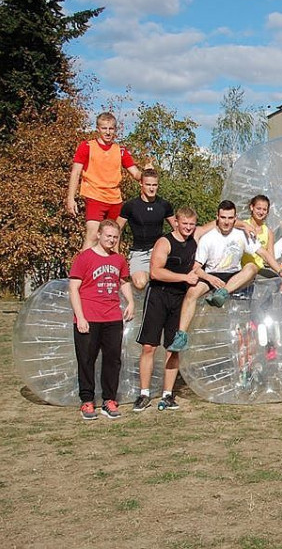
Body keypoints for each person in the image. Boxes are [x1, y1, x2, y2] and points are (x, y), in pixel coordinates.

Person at [169, 200, 280, 351]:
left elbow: (263, 253)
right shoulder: (208, 238)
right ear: (217, 217)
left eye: (230, 218)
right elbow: (197, 268)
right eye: (223, 217)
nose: (226, 222)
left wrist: (280, 270)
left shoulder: (242, 235)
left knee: (252, 267)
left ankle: (223, 293)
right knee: (192, 292)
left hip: (233, 275)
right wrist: (210, 278)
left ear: (235, 219)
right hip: (212, 274)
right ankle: (181, 336)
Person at [132, 207, 199, 412]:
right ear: (176, 222)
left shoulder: (194, 239)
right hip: (159, 295)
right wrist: (185, 277)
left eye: (191, 224)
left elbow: (219, 222)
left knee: (173, 347)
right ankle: (143, 394)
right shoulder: (165, 242)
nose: (188, 227)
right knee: (149, 347)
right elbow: (155, 272)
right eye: (184, 223)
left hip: (180, 298)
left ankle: (168, 395)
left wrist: (242, 224)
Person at [68, 219, 134, 420]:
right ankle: (87, 401)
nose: (112, 240)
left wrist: (130, 302)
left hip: (112, 317)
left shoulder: (119, 260)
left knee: (113, 360)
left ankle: (109, 400)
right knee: (86, 360)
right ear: (98, 235)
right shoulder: (84, 258)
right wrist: (80, 316)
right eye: (108, 236)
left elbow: (123, 281)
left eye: (115, 237)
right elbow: (73, 288)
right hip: (89, 317)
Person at [66, 112, 144, 250]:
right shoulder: (87, 146)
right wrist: (70, 198)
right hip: (94, 196)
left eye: (111, 129)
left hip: (115, 199)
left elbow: (136, 173)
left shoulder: (120, 151)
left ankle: (114, 270)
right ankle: (82, 270)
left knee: (114, 238)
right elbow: (76, 172)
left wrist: (146, 173)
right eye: (104, 128)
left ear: (115, 130)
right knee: (93, 234)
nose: (108, 132)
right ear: (98, 129)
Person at [116, 168, 176, 291]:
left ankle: (156, 275)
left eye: (154, 185)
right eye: (148, 185)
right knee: (140, 283)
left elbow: (177, 229)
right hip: (139, 252)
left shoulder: (164, 205)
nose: (152, 188)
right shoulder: (130, 206)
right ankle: (153, 275)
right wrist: (117, 255)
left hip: (159, 251)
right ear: (141, 184)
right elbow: (116, 230)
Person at [239, 195, 277, 279]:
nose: (261, 212)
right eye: (258, 208)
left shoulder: (268, 232)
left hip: (259, 270)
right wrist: (244, 225)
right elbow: (228, 223)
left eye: (264, 209)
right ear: (252, 207)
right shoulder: (242, 225)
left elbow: (270, 257)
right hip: (243, 270)